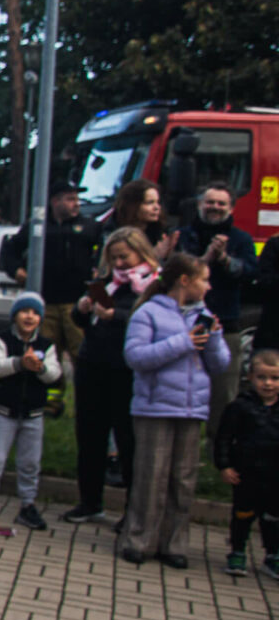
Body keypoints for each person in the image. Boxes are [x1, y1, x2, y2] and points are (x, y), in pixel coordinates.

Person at [119, 253, 231, 568]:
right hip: (154, 408)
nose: (208, 287)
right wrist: (183, 341)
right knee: (151, 476)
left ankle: (174, 543)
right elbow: (136, 357)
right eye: (204, 280)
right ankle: (139, 540)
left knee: (182, 480)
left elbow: (220, 364)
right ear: (184, 281)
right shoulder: (149, 313)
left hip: (191, 409)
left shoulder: (204, 314)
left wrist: (214, 337)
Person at [62, 227, 158, 524]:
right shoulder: (105, 283)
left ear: (141, 252)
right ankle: (90, 502)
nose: (119, 264)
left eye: (124, 257)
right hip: (93, 365)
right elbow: (82, 321)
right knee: (90, 436)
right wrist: (82, 308)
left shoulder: (154, 285)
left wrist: (114, 315)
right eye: (114, 257)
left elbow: (151, 320)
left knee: (128, 441)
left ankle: (133, 510)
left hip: (126, 371)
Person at [0, 180, 101, 417]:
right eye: (70, 198)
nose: (76, 204)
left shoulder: (89, 228)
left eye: (77, 199)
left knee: (82, 356)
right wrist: (17, 271)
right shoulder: (37, 227)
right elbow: (10, 252)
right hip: (46, 304)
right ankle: (48, 403)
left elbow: (101, 257)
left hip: (77, 305)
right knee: (46, 355)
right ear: (55, 201)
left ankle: (88, 406)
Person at [173, 181, 259, 436]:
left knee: (223, 395)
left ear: (231, 209)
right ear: (200, 205)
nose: (215, 207)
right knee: (180, 392)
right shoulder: (184, 235)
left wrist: (225, 259)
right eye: (210, 202)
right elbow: (176, 274)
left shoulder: (242, 239)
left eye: (221, 203)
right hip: (182, 325)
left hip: (225, 324)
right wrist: (208, 257)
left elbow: (250, 274)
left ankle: (218, 456)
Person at [0, 293, 60, 531]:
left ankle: (28, 505)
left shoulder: (46, 345)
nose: (29, 317)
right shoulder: (1, 340)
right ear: (14, 316)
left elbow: (55, 374)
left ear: (40, 318)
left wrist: (39, 367)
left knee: (30, 463)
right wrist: (19, 363)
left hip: (33, 415)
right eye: (24, 311)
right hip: (3, 412)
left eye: (34, 313)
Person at [215, 348, 279, 579]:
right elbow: (223, 439)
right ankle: (237, 551)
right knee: (243, 514)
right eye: (262, 377)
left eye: (274, 378)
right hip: (246, 473)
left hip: (274, 476)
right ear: (250, 377)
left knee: (273, 517)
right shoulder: (240, 407)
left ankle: (273, 554)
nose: (268, 384)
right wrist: (225, 465)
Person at [111, 178, 174, 261]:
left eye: (157, 202)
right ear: (132, 206)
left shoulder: (162, 234)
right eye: (149, 203)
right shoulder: (111, 235)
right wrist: (154, 257)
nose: (156, 207)